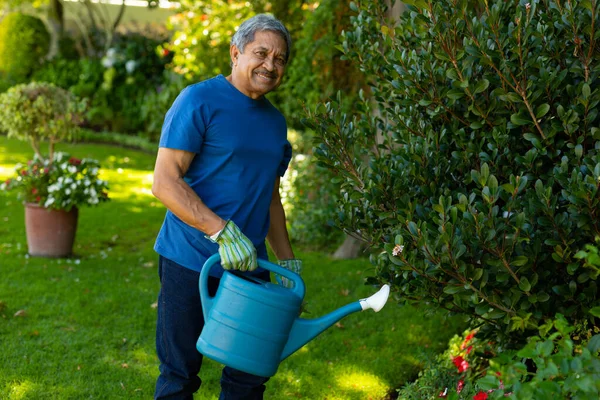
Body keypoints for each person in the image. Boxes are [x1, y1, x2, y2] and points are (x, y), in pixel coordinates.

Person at [151, 13, 302, 400]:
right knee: (179, 373)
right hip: (190, 258)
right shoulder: (199, 100)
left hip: (248, 265)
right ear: (236, 53)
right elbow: (165, 181)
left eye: (280, 58)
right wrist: (219, 230)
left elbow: (269, 198)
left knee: (249, 374)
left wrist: (286, 262)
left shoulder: (274, 123)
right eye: (261, 53)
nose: (270, 64)